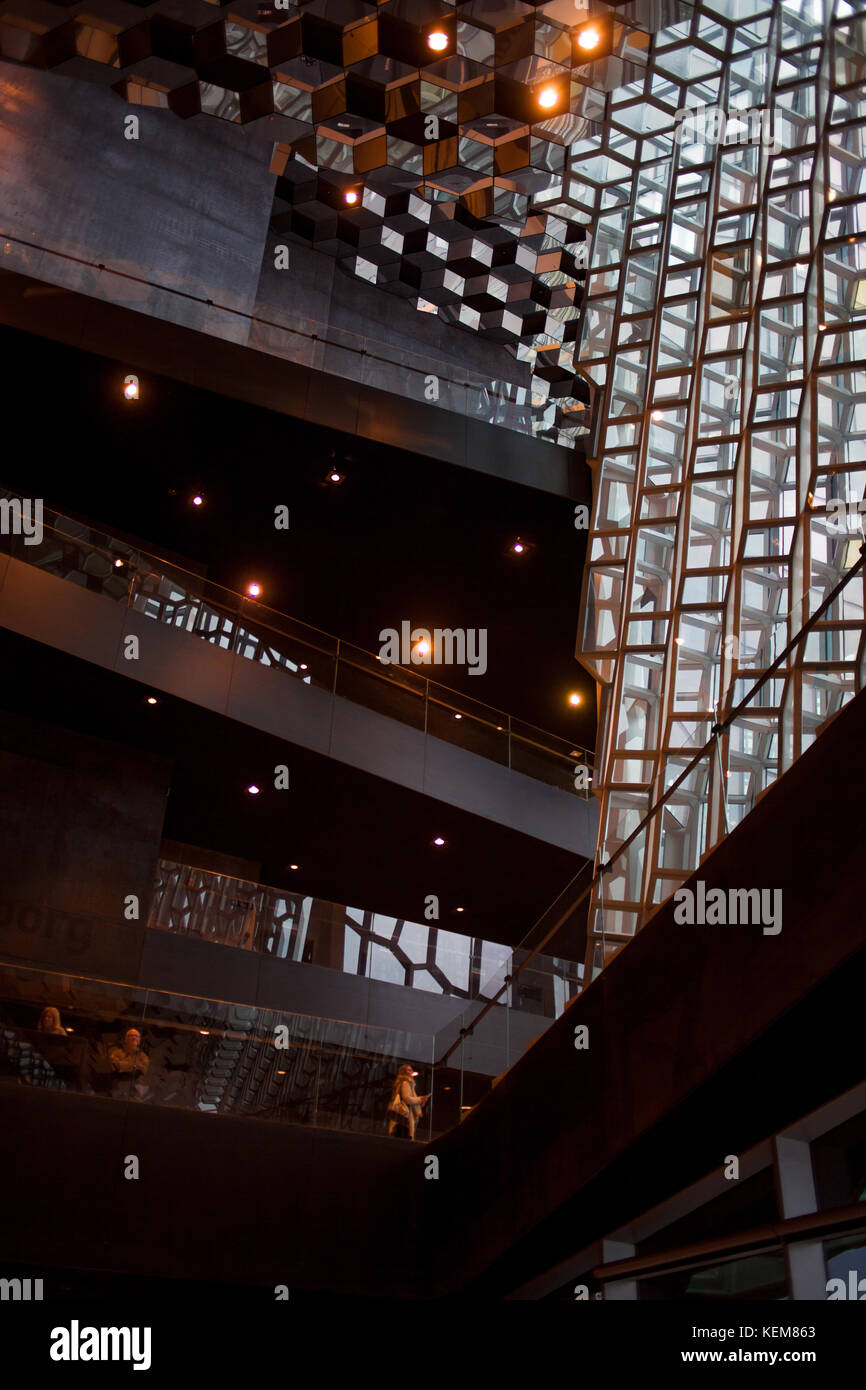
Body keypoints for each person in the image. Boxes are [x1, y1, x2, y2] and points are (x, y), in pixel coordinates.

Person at [386, 1064, 430, 1141]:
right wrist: (420, 1099)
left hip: (403, 1114)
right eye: (409, 1070)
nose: (412, 1072)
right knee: (404, 1138)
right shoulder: (405, 1083)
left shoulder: (404, 1083)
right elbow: (407, 1099)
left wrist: (419, 1100)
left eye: (411, 1070)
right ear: (404, 1072)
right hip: (405, 1114)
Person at [108, 1027, 150, 1098]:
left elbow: (144, 1069)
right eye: (131, 1035)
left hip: (135, 1086)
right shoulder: (116, 1053)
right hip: (118, 1084)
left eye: (136, 1036)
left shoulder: (143, 1056)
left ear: (139, 1040)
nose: (133, 1038)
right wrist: (134, 1065)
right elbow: (114, 1066)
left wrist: (123, 1065)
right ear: (125, 1039)